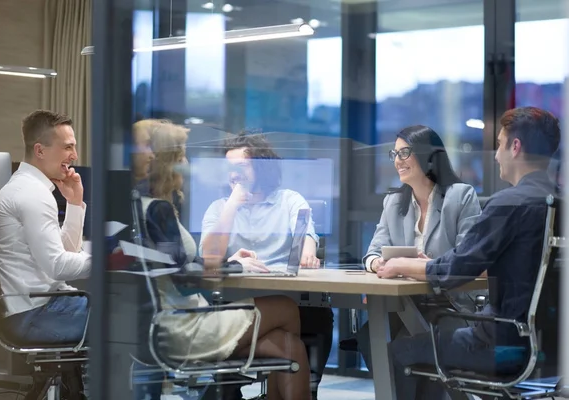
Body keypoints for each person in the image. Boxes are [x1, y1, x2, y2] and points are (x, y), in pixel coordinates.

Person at [376, 107, 561, 400]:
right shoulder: (558, 203)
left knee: (396, 351)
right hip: (554, 345)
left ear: (515, 147)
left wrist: (402, 265)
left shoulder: (508, 204)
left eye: (499, 145)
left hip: (501, 342)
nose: (497, 155)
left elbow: (457, 269)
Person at [135, 119, 311, 400]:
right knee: (288, 309)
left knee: (290, 347)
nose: (186, 164)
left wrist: (226, 262)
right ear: (167, 163)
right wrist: (234, 264)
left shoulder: (137, 206)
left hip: (162, 322)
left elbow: (177, 265)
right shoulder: (158, 210)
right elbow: (186, 275)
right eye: (181, 157)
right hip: (181, 326)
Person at [199, 133, 334, 398]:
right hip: (236, 308)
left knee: (313, 319)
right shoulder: (219, 208)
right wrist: (234, 204)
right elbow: (209, 256)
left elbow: (306, 233)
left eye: (241, 167)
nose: (233, 174)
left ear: (261, 167)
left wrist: (308, 252)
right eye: (229, 169)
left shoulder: (288, 199)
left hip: (291, 302)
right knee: (289, 345)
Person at [353, 125, 482, 370]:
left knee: (401, 346)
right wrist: (378, 263)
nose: (397, 161)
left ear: (427, 155)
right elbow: (371, 253)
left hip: (448, 304)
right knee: (371, 338)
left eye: (404, 153)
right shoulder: (393, 202)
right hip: (404, 303)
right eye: (394, 154)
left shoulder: (460, 196)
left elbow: (469, 257)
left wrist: (425, 266)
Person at [0, 110, 90, 345]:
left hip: (42, 306)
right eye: (67, 147)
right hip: (36, 314)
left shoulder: (31, 188)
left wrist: (75, 203)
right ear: (40, 150)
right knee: (126, 318)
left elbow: (65, 253)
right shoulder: (31, 194)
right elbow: (57, 266)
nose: (74, 155)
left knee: (120, 310)